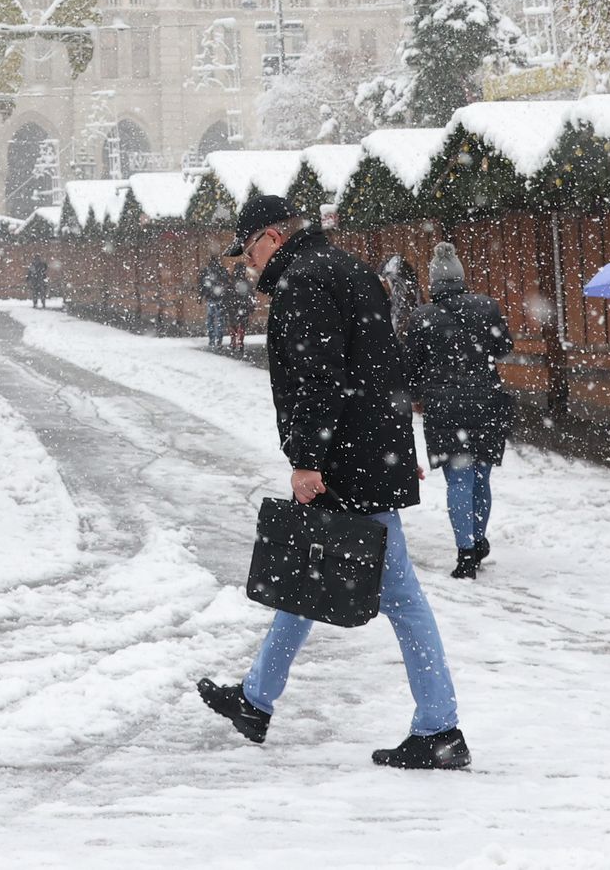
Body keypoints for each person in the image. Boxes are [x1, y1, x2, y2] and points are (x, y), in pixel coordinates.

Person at [195, 196, 469, 772]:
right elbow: (385, 364)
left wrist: (308, 459)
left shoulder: (302, 282)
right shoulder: (353, 269)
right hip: (369, 451)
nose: (248, 265)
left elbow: (320, 378)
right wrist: (397, 449)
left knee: (399, 597)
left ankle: (440, 727)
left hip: (345, 459)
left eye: (248, 251)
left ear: (271, 236)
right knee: (306, 570)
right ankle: (255, 700)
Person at [405, 244, 515, 578]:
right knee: (481, 474)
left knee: (459, 477)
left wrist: (419, 391)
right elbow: (505, 349)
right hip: (486, 403)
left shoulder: (421, 318)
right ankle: (478, 540)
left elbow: (408, 370)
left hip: (444, 408)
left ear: (434, 282)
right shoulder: (487, 307)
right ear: (461, 278)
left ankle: (465, 551)